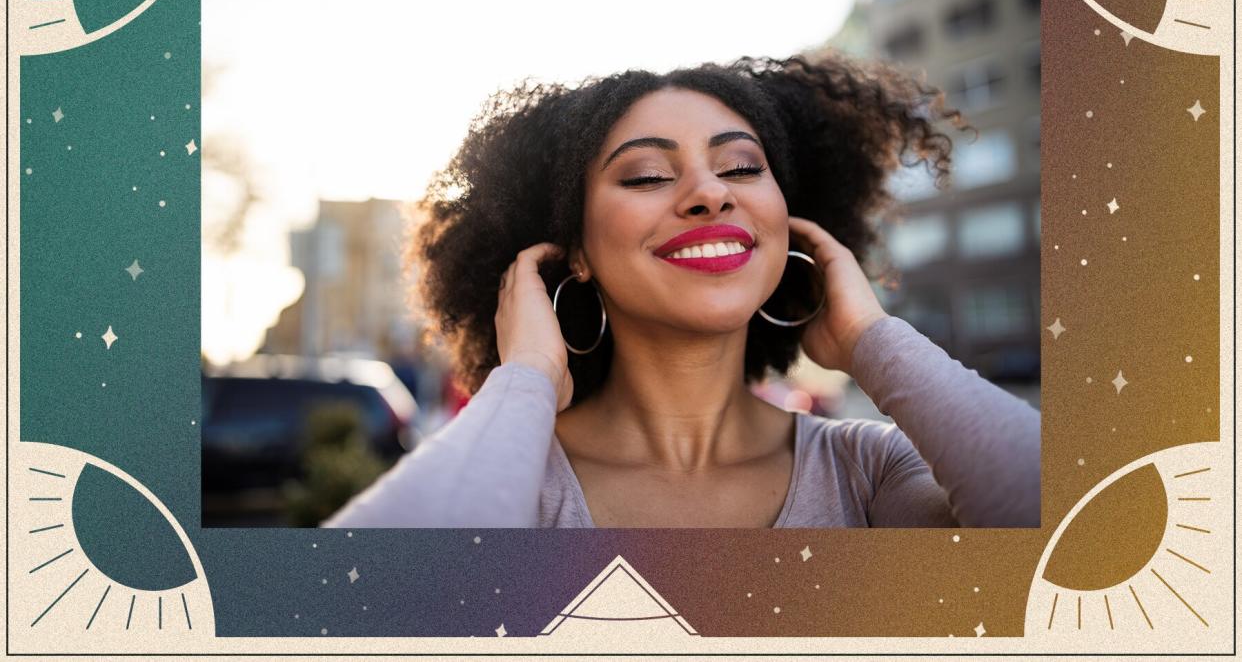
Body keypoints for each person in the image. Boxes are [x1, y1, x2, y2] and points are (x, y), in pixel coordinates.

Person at [324, 53, 1040, 529]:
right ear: (574, 251)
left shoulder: (868, 473)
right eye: (646, 176)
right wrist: (527, 380)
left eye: (739, 167)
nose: (708, 194)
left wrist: (871, 341)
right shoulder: (518, 482)